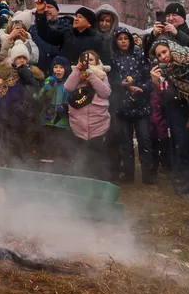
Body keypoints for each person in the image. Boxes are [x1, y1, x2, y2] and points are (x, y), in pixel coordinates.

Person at [105, 29, 155, 184]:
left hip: (141, 106)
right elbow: (108, 83)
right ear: (116, 41)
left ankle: (148, 174)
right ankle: (128, 173)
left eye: (126, 38)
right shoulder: (112, 60)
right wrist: (121, 84)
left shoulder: (140, 58)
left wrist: (142, 88)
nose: (123, 41)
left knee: (144, 140)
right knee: (125, 142)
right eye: (120, 38)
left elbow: (149, 80)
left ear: (131, 40)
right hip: (122, 107)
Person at [65, 49, 113, 179]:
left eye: (91, 60)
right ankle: (80, 180)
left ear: (97, 62)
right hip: (78, 125)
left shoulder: (102, 75)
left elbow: (105, 92)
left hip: (98, 125)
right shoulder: (77, 74)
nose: (87, 62)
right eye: (84, 60)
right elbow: (68, 87)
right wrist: (77, 71)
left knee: (96, 157)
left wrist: (91, 74)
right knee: (80, 156)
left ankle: (98, 181)